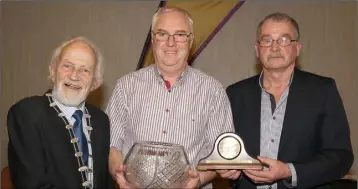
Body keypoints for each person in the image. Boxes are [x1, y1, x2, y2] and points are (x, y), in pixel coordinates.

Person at [219, 12, 354, 189]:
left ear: (297, 48)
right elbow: (227, 150)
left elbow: (341, 157)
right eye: (267, 40)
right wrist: (228, 168)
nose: (274, 48)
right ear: (257, 49)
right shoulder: (235, 94)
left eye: (283, 40)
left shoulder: (323, 90)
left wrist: (290, 171)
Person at [106, 7, 234, 189]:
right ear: (152, 39)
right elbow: (112, 146)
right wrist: (119, 174)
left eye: (180, 35)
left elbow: (220, 154)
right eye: (162, 34)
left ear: (191, 41)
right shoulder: (126, 87)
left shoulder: (213, 91)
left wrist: (198, 179)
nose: (171, 43)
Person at [7, 37, 115, 189]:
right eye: (67, 66)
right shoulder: (27, 114)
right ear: (52, 72)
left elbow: (104, 182)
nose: (74, 76)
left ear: (95, 82)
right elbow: (31, 184)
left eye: (85, 70)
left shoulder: (100, 120)